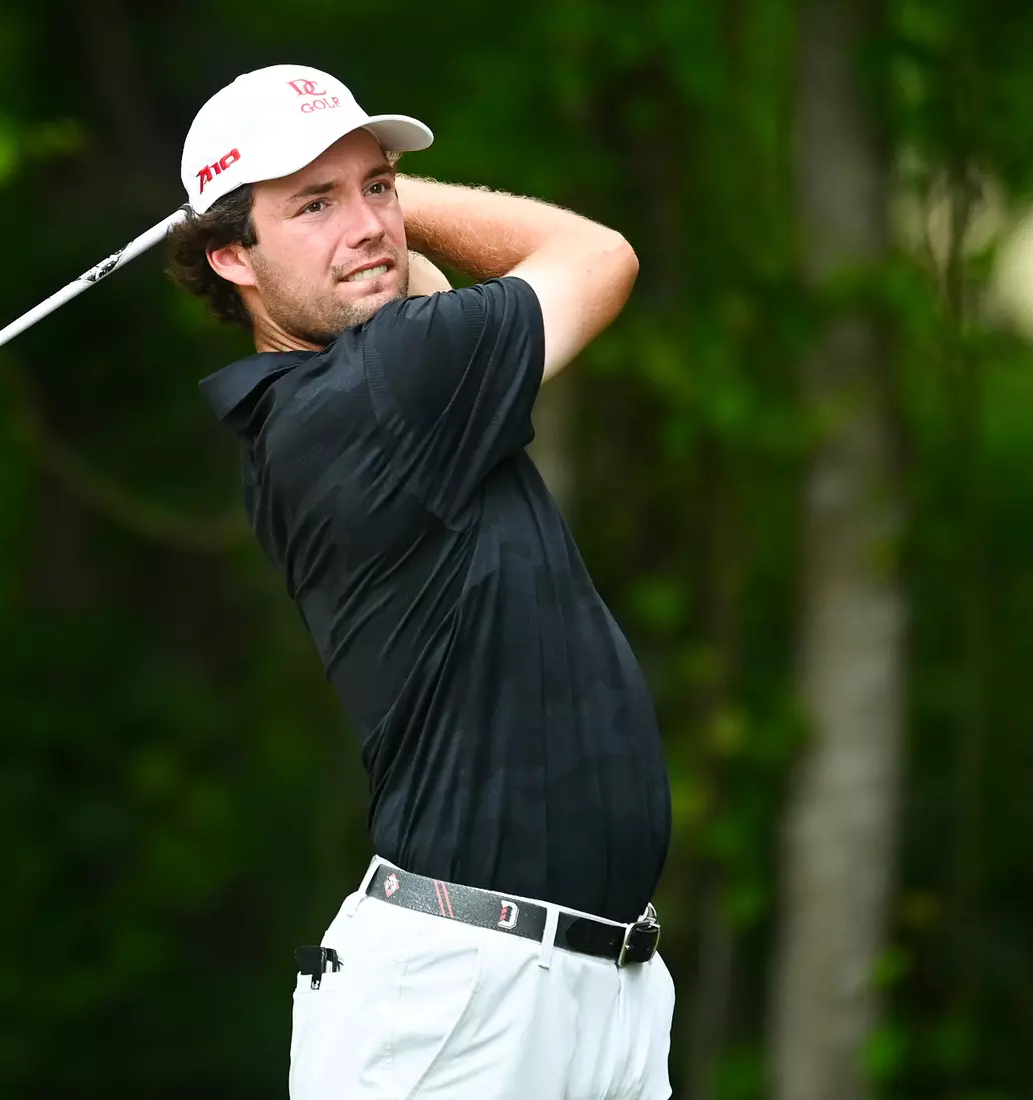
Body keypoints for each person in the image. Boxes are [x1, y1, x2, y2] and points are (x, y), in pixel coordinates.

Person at [172, 64, 674, 1099]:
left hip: (592, 987)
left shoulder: (342, 388)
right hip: (465, 1004)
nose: (364, 225)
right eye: (312, 203)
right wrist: (400, 204)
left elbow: (421, 285)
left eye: (377, 186)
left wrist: (352, 209)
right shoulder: (378, 387)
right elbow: (599, 255)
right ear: (231, 253)